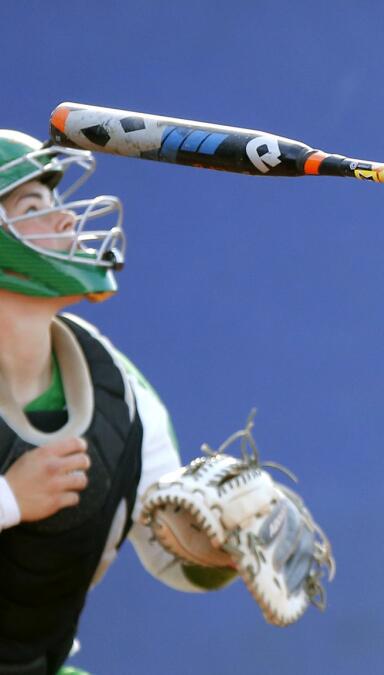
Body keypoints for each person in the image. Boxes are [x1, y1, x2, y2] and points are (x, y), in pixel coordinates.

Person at [0, 131, 247, 675]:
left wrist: (213, 548)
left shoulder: (110, 378)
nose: (67, 221)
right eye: (34, 206)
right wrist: (11, 499)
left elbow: (165, 547)